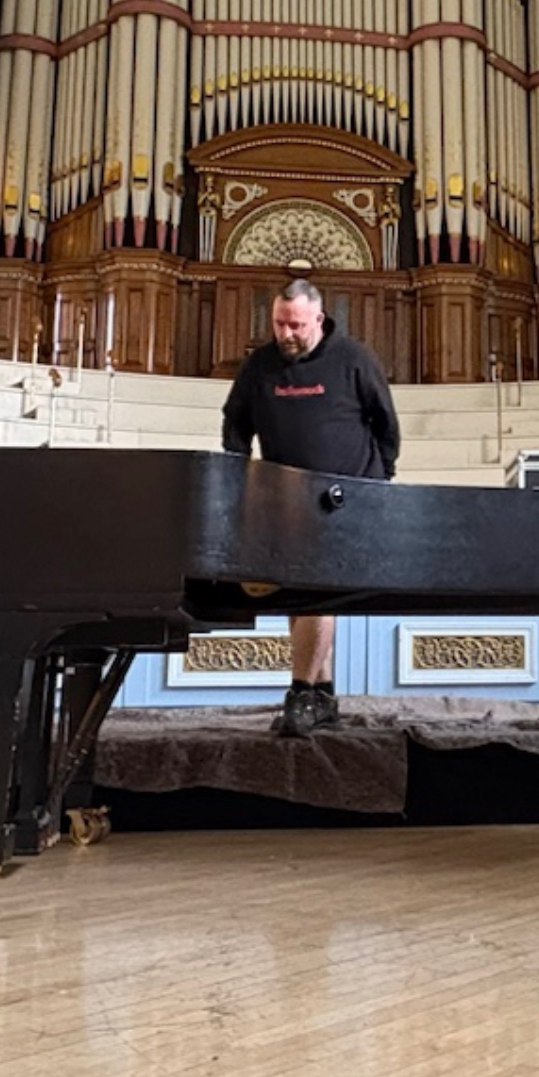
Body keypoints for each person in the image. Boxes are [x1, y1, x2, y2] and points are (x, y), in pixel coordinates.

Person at [221, 278, 400, 737]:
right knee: (301, 600)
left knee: (319, 595)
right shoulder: (259, 367)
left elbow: (386, 425)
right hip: (281, 499)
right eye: (280, 324)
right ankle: (321, 696)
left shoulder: (354, 359)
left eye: (296, 325)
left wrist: (377, 483)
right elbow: (234, 422)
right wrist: (240, 476)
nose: (286, 334)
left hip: (344, 503)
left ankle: (300, 693)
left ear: (318, 319)